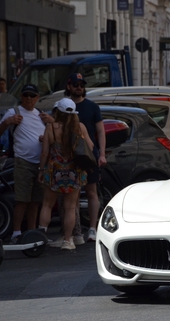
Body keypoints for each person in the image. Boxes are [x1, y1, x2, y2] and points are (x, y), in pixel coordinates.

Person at [0, 83, 54, 243]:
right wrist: (8, 122)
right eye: (26, 95)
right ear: (21, 97)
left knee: (35, 201)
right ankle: (16, 232)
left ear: (37, 98)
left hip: (40, 163)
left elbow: (56, 133)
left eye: (32, 96)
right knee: (22, 200)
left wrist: (52, 121)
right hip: (23, 161)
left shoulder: (41, 115)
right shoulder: (14, 112)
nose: (28, 98)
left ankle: (31, 232)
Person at [38, 98, 93, 250]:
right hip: (74, 171)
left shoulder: (51, 127)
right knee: (70, 207)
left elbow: (44, 152)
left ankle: (40, 239)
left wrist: (41, 170)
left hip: (54, 171)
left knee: (47, 205)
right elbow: (90, 146)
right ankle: (68, 241)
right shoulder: (80, 127)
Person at [63, 73, 106, 243]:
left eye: (81, 84)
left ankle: (93, 229)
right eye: (75, 84)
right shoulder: (63, 106)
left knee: (91, 192)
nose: (79, 87)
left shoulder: (93, 107)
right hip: (67, 157)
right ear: (69, 86)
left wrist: (102, 154)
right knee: (68, 195)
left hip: (88, 155)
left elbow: (101, 132)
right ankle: (73, 232)